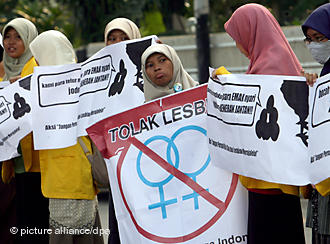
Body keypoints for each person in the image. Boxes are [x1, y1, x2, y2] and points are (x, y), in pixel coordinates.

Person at [223, 4, 306, 244]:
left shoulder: (270, 67)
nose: (238, 45)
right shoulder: (275, 59)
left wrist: (223, 82)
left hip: (269, 182)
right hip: (277, 180)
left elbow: (251, 109)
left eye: (238, 37)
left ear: (252, 32)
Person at [29, 30, 103, 244]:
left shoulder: (42, 88)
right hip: (81, 174)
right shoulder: (85, 82)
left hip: (61, 179)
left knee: (65, 236)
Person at [0, 18, 49, 244]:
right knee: (20, 225)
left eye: (17, 36)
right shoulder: (2, 73)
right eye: (7, 37)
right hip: (13, 166)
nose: (11, 42)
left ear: (29, 40)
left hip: (38, 163)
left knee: (36, 225)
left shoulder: (39, 68)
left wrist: (28, 85)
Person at [103, 17, 141, 244]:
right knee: (120, 219)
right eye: (112, 38)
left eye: (124, 38)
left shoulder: (148, 66)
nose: (117, 43)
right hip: (117, 162)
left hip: (146, 159)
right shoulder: (97, 77)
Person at [301, 3, 330, 244]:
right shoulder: (323, 79)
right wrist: (311, 91)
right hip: (324, 186)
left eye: (320, 38)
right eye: (309, 40)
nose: (314, 46)